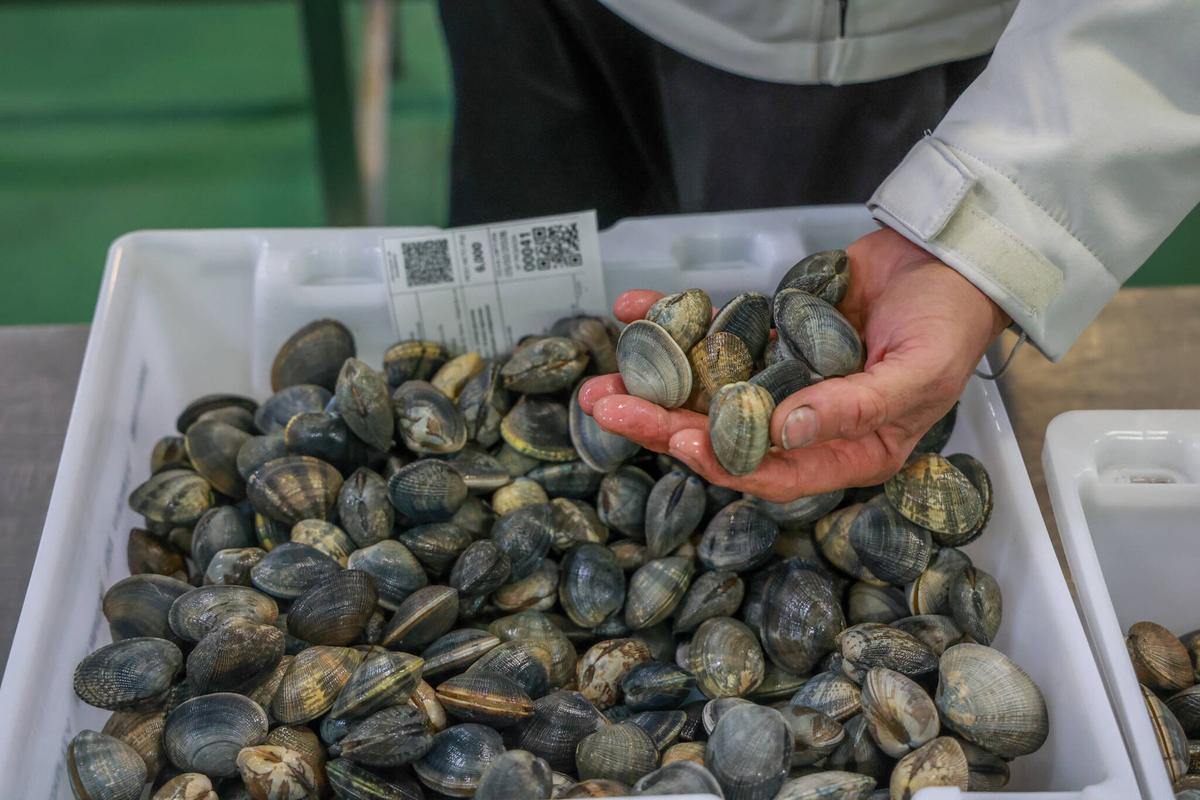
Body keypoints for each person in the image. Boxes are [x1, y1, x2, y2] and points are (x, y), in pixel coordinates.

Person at [438, 1, 1200, 502]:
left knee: (851, 423)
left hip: (867, 40)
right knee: (524, 320)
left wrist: (990, 231)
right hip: (532, 22)